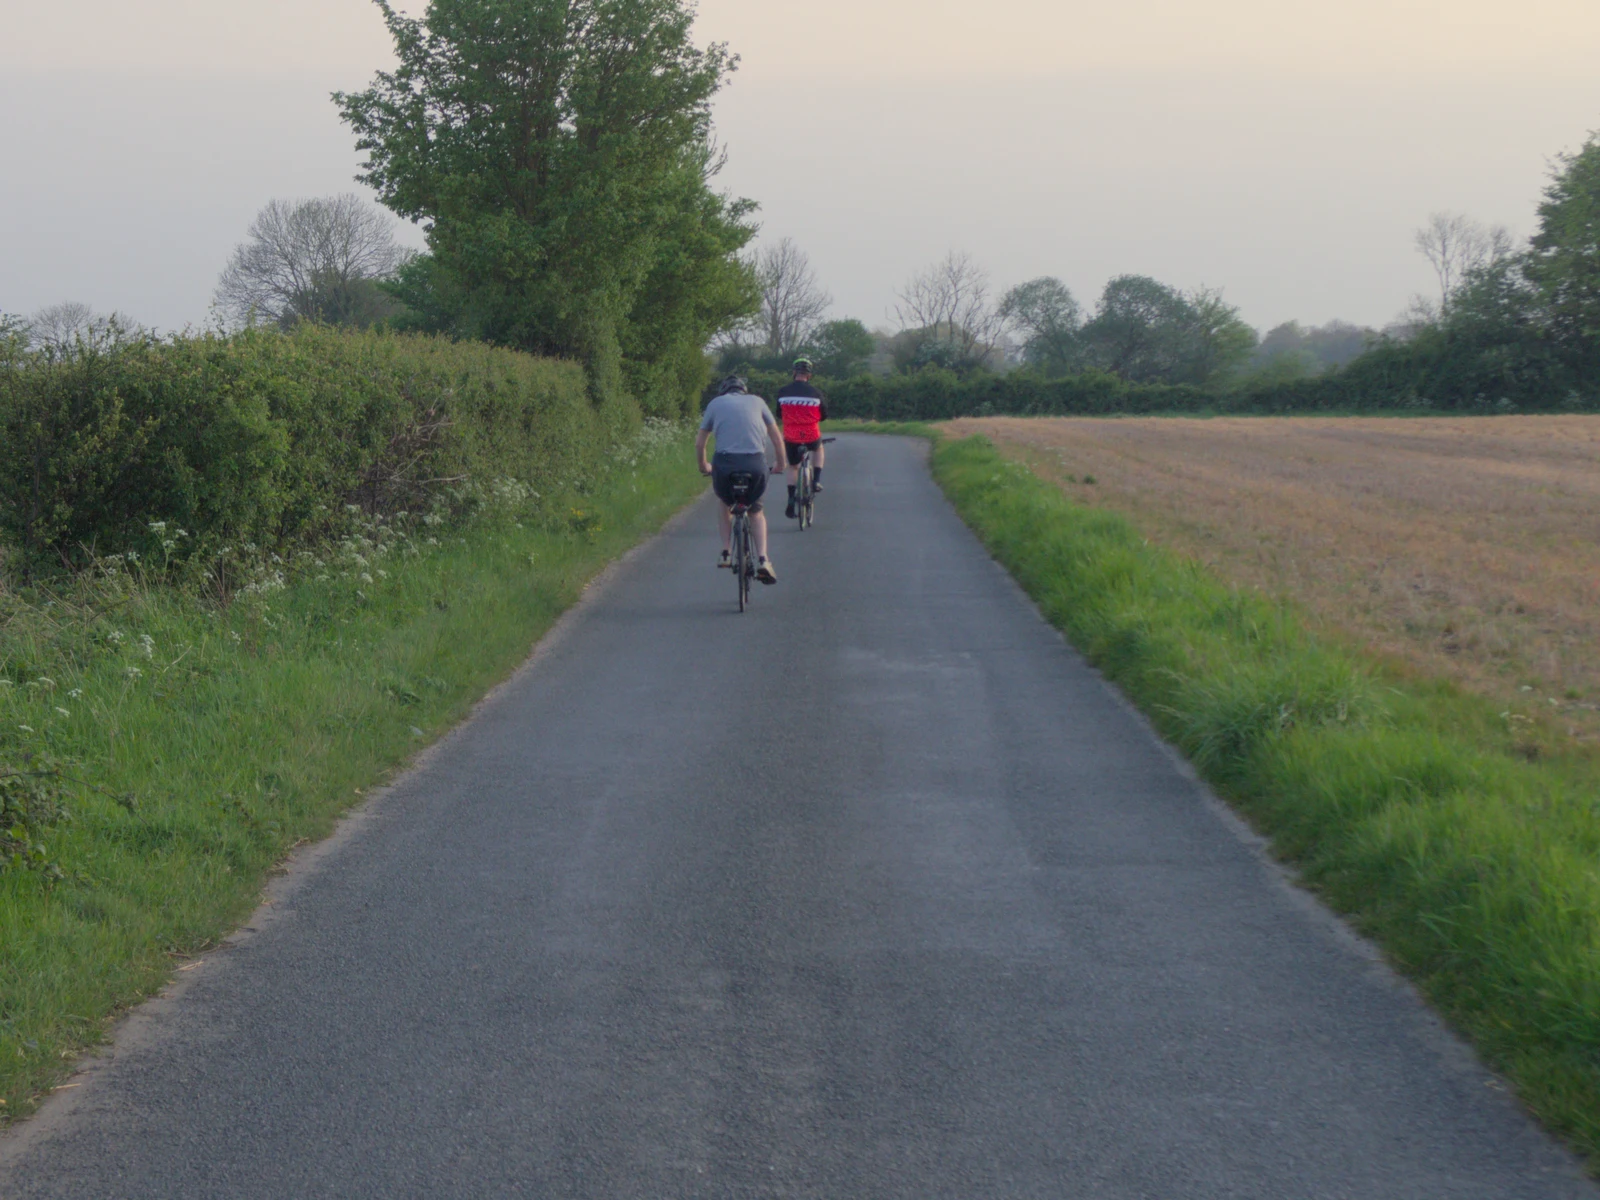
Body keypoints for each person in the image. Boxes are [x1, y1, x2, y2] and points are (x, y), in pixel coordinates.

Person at [696, 375, 786, 584]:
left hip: (725, 464)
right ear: (744, 390)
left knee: (724, 503)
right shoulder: (758, 401)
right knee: (756, 511)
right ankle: (763, 559)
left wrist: (703, 466)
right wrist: (781, 464)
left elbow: (700, 444)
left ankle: (726, 551)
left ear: (723, 391)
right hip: (755, 463)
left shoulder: (715, 404)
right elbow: (776, 438)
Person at [776, 358, 828, 520]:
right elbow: (824, 415)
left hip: (791, 435)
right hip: (811, 433)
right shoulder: (816, 393)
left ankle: (791, 500)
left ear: (794, 373)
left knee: (793, 467)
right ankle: (816, 481)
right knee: (818, 449)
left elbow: (779, 414)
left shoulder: (783, 392)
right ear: (809, 375)